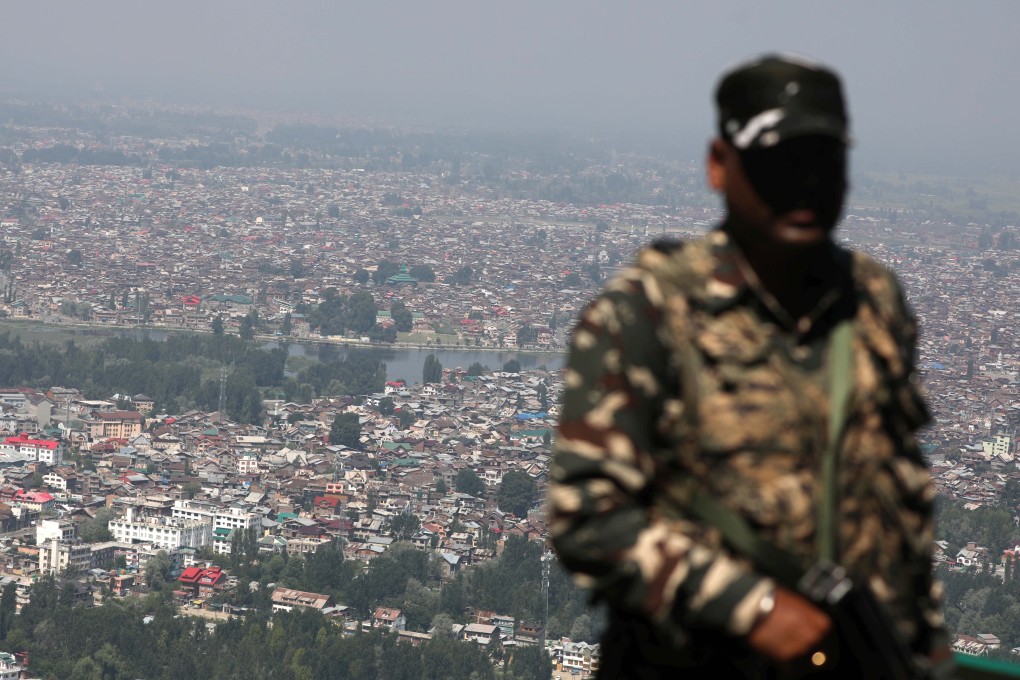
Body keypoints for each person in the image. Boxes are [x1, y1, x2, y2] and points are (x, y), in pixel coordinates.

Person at [549, 53, 952, 678]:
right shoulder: (653, 308)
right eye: (778, 165)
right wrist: (754, 607)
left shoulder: (872, 303)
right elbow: (590, 519)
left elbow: (902, 501)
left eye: (824, 162)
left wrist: (925, 650)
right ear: (719, 165)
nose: (805, 185)